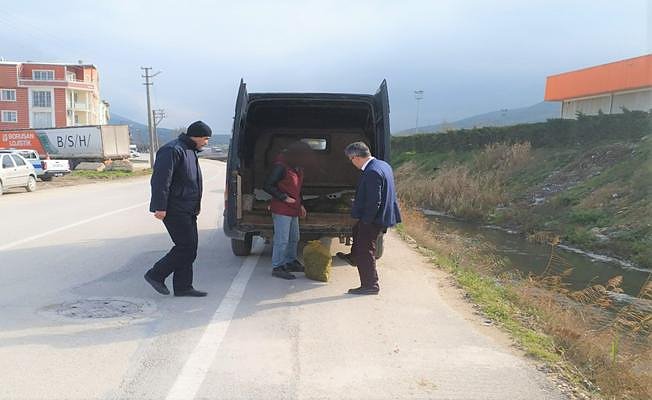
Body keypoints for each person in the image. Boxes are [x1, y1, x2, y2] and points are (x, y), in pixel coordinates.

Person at [144, 121, 212, 297]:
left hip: (188, 208)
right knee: (186, 247)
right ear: (195, 136)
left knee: (190, 248)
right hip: (175, 208)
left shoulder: (190, 151)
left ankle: (183, 287)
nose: (206, 142)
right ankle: (156, 274)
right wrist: (160, 207)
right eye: (205, 138)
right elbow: (161, 180)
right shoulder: (172, 150)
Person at [344, 142, 401, 295]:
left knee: (366, 250)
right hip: (384, 213)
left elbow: (374, 201)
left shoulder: (371, 172)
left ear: (355, 157)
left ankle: (370, 285)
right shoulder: (383, 165)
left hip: (374, 218)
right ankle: (353, 256)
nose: (352, 163)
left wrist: (366, 221)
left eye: (351, 160)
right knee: (356, 232)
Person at [263, 142, 312, 280]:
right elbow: (267, 185)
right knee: (282, 239)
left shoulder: (296, 167)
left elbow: (297, 189)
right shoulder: (280, 166)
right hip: (282, 208)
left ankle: (290, 262)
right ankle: (277, 266)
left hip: (294, 208)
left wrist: (300, 204)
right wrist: (283, 197)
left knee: (294, 237)